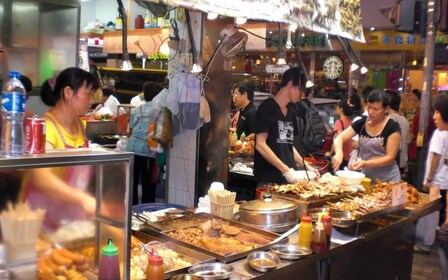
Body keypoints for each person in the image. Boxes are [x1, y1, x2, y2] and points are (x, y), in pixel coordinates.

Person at [22, 67, 100, 230]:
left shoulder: (79, 123)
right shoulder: (46, 127)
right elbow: (41, 178)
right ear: (68, 93)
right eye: (87, 94)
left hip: (68, 216)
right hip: (42, 218)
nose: (91, 101)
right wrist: (83, 199)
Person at [254, 67, 320, 185]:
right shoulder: (267, 107)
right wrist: (285, 170)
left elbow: (289, 146)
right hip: (269, 180)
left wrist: (307, 167)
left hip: (289, 180)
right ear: (290, 84)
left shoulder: (291, 111)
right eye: (301, 89)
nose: (302, 95)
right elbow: (260, 144)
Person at [331, 89, 401, 183]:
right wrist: (339, 152)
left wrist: (365, 163)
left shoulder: (392, 127)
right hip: (367, 178)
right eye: (369, 107)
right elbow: (339, 138)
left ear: (386, 109)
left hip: (389, 180)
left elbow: (390, 157)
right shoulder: (362, 123)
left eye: (376, 109)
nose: (371, 112)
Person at [127, 81, 164, 205]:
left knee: (132, 182)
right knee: (148, 184)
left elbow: (130, 130)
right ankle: (147, 210)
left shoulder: (139, 109)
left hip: (131, 148)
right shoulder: (160, 111)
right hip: (147, 150)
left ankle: (132, 210)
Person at [414, 127, 448, 254]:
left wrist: (429, 178)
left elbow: (436, 157)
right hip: (443, 178)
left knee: (430, 213)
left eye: (437, 112)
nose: (434, 116)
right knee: (436, 211)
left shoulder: (440, 133)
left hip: (436, 180)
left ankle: (424, 243)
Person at [325, 94, 360, 169]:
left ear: (341, 109)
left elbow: (338, 139)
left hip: (341, 158)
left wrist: (330, 153)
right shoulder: (353, 122)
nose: (336, 108)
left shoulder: (339, 122)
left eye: (338, 106)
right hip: (351, 157)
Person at [387, 91, 410, 176]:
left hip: (392, 161)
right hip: (403, 161)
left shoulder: (388, 120)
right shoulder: (405, 121)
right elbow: (407, 143)